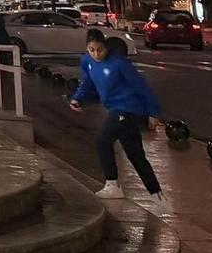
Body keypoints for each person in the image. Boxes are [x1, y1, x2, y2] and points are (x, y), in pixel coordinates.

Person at [70, 34, 167, 210]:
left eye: (100, 50)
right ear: (86, 49)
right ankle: (156, 193)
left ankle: (112, 184)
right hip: (115, 109)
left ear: (106, 47)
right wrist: (78, 99)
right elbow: (87, 83)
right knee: (135, 153)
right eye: (92, 50)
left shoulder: (120, 63)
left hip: (128, 109)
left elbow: (141, 86)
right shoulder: (87, 62)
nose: (96, 54)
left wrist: (153, 112)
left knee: (103, 140)